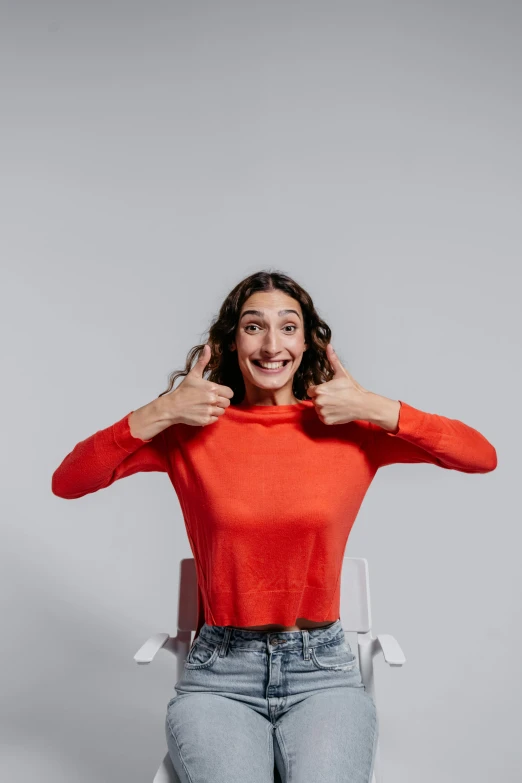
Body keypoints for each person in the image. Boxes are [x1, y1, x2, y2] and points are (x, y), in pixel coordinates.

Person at [52, 270, 497, 783]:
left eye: (288, 327)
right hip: (220, 674)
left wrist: (374, 406)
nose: (271, 344)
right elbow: (70, 480)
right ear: (231, 340)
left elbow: (480, 455)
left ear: (307, 343)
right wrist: (161, 410)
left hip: (323, 673)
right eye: (253, 326)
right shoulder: (189, 431)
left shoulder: (351, 430)